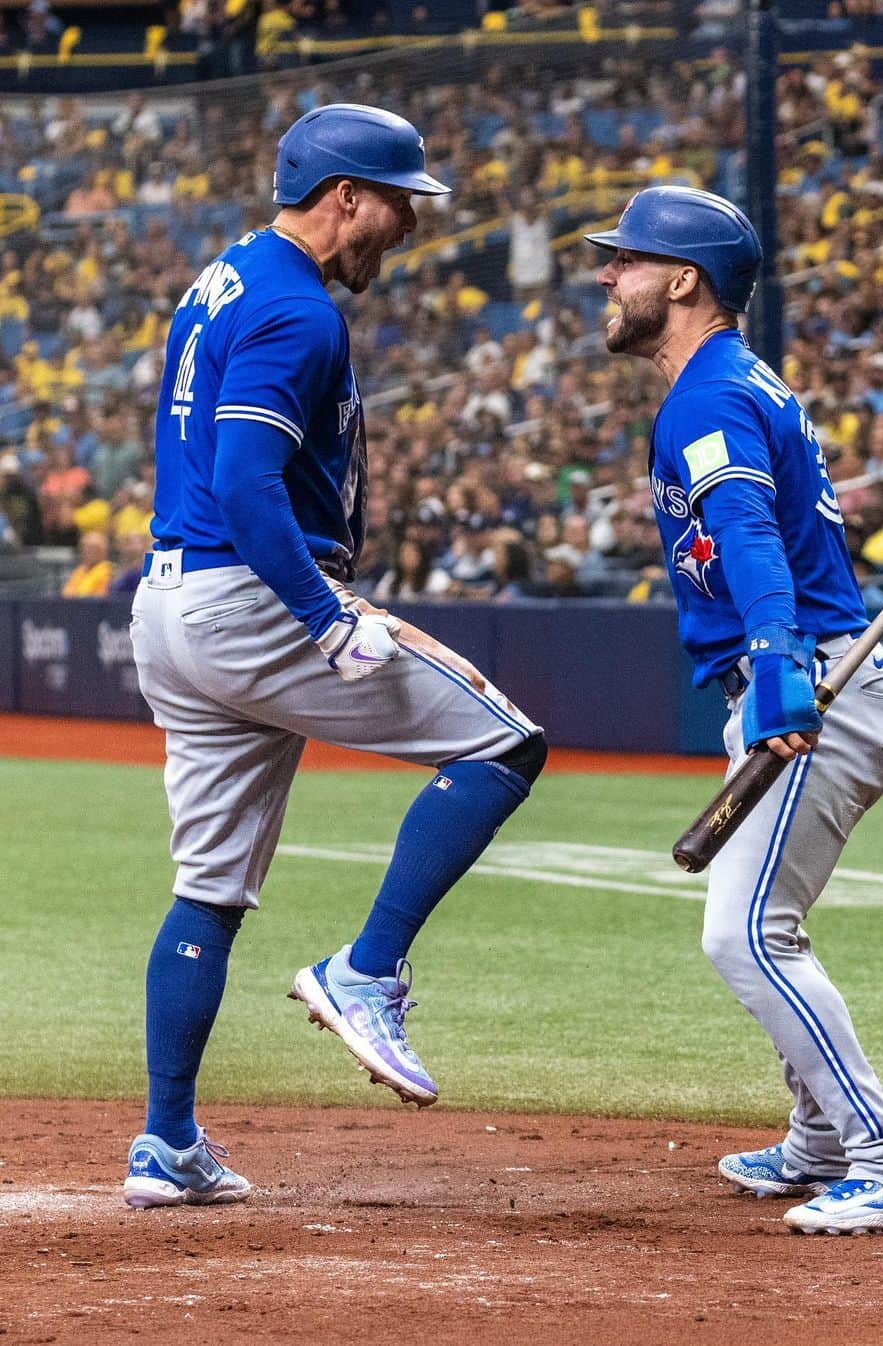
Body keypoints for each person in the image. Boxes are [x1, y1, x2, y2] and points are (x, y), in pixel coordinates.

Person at [123, 104, 547, 1210]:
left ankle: (167, 1141)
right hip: (252, 595)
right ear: (343, 197)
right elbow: (245, 483)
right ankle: (365, 971)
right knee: (506, 742)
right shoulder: (296, 309)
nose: (410, 223)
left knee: (209, 890)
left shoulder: (225, 276)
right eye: (399, 200)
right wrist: (324, 614)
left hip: (173, 600)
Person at [589, 186, 883, 1237]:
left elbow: (747, 533)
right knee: (766, 921)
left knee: (747, 934)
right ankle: (822, 1138)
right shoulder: (729, 382)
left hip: (812, 687)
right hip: (809, 678)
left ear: (685, 280)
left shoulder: (707, 395)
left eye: (627, 259)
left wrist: (779, 660)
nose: (609, 276)